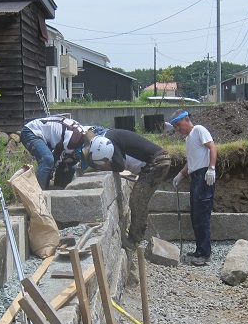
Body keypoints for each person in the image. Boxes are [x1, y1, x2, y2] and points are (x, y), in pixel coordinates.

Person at [86, 129, 171, 248]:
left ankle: (134, 239)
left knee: (137, 200)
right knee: (140, 199)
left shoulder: (110, 140)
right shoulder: (109, 138)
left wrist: (107, 167)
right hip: (157, 160)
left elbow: (119, 165)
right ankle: (138, 235)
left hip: (158, 161)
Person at [168, 109, 217, 265]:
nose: (178, 129)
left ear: (187, 119)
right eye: (175, 127)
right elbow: (191, 161)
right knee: (196, 216)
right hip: (195, 178)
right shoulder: (189, 139)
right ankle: (200, 250)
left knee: (202, 216)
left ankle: (204, 253)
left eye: (178, 125)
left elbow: (212, 147)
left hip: (203, 176)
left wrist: (211, 168)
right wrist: (181, 174)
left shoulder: (199, 130)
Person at [20, 115, 88, 189]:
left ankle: (60, 191)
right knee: (47, 159)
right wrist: (49, 175)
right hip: (31, 131)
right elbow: (57, 157)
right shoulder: (73, 141)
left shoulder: (86, 137)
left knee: (70, 166)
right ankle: (38, 192)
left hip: (50, 140)